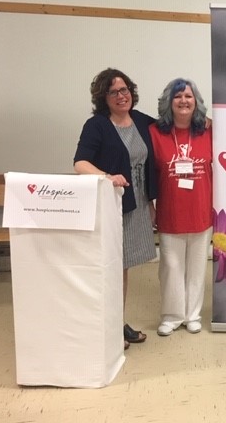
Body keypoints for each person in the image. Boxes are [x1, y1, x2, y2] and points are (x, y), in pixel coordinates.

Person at [74, 68, 158, 350]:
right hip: (113, 205)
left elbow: (174, 128)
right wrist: (107, 177)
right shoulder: (97, 125)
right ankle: (108, 328)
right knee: (110, 267)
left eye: (124, 90)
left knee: (121, 268)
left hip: (138, 204)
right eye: (114, 92)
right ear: (104, 97)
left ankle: (116, 323)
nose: (121, 96)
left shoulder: (141, 121)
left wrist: (205, 121)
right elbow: (80, 163)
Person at [149, 78, 213, 336]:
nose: (184, 101)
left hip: (201, 210)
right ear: (169, 102)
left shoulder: (209, 131)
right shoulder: (155, 132)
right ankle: (172, 315)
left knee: (197, 266)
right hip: (170, 211)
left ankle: (192, 314)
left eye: (188, 96)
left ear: (196, 101)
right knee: (171, 266)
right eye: (178, 97)